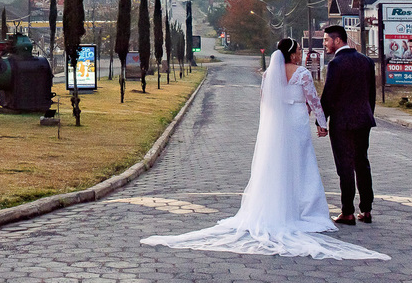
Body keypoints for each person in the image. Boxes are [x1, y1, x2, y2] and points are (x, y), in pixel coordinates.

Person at [141, 38, 388, 260]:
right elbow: (313, 101)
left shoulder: (269, 75)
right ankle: (305, 210)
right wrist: (321, 124)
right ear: (291, 54)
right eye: (299, 51)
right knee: (301, 164)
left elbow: (265, 102)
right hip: (298, 121)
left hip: (278, 123)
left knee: (276, 164)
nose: (301, 54)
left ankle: (277, 206)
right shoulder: (302, 73)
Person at [320, 24, 377, 225]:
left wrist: (322, 121)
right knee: (362, 163)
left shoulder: (336, 64)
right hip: (364, 120)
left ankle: (347, 212)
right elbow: (372, 95)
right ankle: (367, 210)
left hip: (342, 122)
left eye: (326, 40)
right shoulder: (366, 61)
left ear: (337, 40)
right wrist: (368, 114)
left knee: (344, 166)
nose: (324, 44)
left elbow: (329, 95)